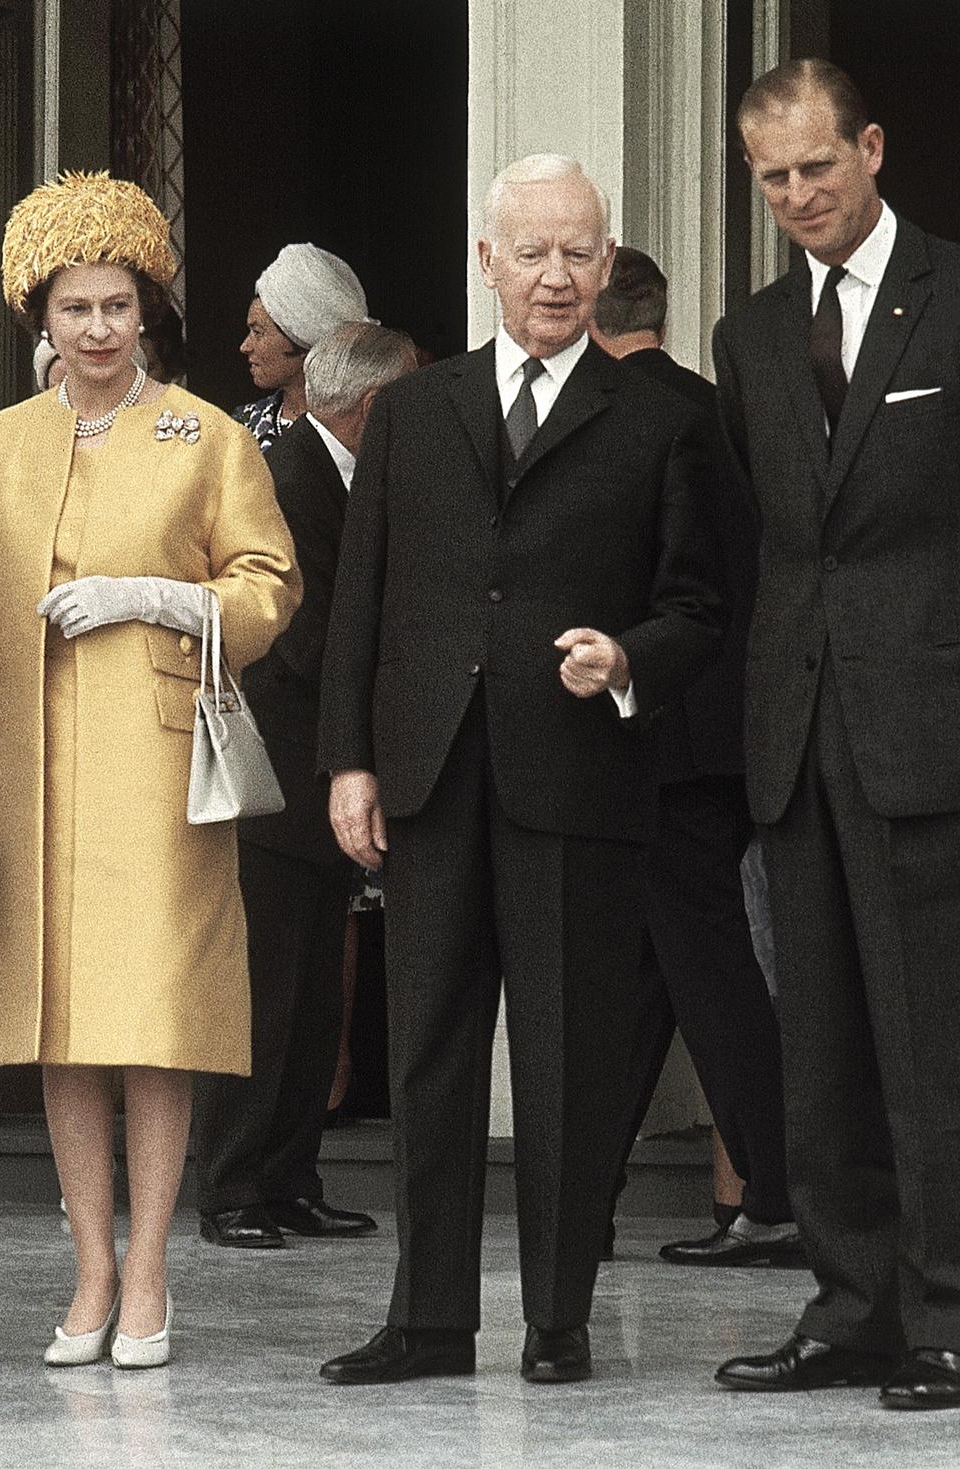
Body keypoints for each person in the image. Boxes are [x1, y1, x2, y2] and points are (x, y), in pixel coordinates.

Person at [710, 60, 960, 1409]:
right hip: (799, 727)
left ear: (872, 148)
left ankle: (950, 1323)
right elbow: (761, 529)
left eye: (817, 165)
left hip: (944, 727)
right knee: (818, 1050)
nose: (798, 195)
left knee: (942, 1053)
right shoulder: (750, 334)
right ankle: (849, 1310)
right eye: (772, 177)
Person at [314, 154, 723, 1387]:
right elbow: (361, 604)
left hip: (578, 781)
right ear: (485, 262)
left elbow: (706, 605)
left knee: (565, 1059)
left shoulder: (665, 416)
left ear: (607, 266)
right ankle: (428, 1317)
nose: (556, 275)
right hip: (429, 778)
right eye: (532, 252)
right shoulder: (415, 411)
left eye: (578, 252)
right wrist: (347, 762)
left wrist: (630, 654)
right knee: (429, 1053)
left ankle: (557, 1319)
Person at [0, 171, 297, 1369]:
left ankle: (149, 1271)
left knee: (153, 1021)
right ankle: (87, 1264)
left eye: (116, 305)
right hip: (27, 771)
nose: (95, 327)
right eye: (73, 307)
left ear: (147, 312)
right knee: (60, 1026)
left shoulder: (205, 433)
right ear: (39, 317)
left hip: (154, 768)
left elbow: (268, 583)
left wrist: (160, 600)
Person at [588, 246, 798, 1269]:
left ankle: (778, 1190)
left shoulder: (611, 412)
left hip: (651, 728)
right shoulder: (715, 408)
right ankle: (585, 1193)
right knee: (652, 969)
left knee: (705, 967)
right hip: (727, 724)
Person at [192, 321, 418, 1251]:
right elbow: (302, 635)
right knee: (268, 994)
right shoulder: (286, 479)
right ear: (373, 407)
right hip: (279, 777)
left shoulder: (342, 473)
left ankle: (288, 1176)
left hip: (318, 780)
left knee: (313, 994)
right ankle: (235, 1183)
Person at [234, 243, 371, 450]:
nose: (245, 347)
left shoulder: (359, 425)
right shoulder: (245, 425)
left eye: (258, 333)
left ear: (300, 338)